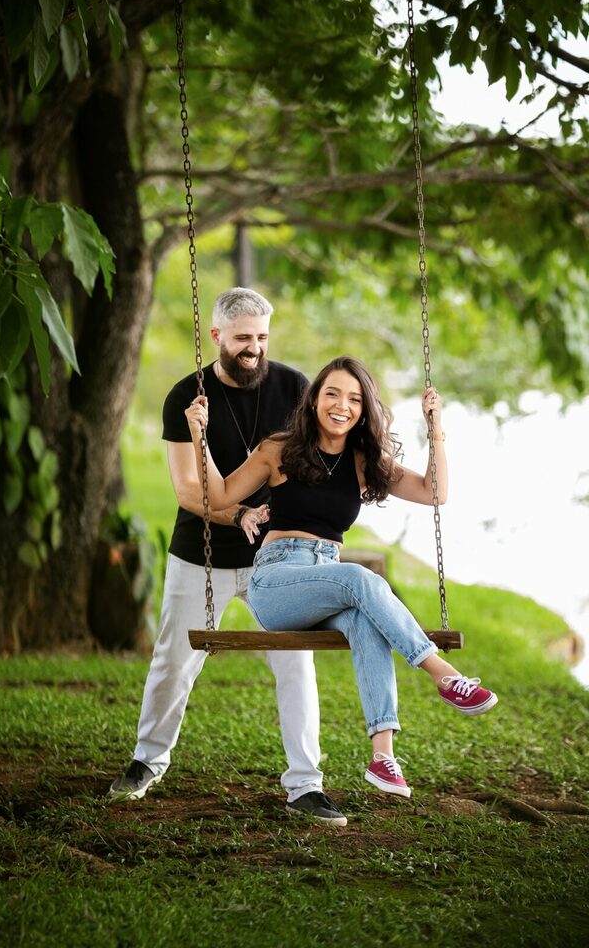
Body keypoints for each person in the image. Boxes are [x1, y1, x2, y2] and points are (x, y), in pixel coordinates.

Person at [185, 355, 498, 798]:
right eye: (332, 393)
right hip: (277, 581)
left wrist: (436, 428)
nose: (341, 405)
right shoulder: (278, 449)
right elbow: (216, 495)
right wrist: (199, 435)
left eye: (354, 399)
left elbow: (435, 493)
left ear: (364, 409)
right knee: (359, 578)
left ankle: (383, 756)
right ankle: (443, 676)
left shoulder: (362, 460)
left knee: (364, 620)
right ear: (314, 400)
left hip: (328, 580)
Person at [109, 288, 348, 826]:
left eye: (262, 337)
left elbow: (323, 461)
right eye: (243, 338)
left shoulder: (295, 388)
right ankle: (147, 761)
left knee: (296, 664)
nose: (254, 348)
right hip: (202, 555)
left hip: (279, 559)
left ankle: (306, 784)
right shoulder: (186, 397)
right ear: (217, 336)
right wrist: (237, 514)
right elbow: (187, 490)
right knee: (174, 660)